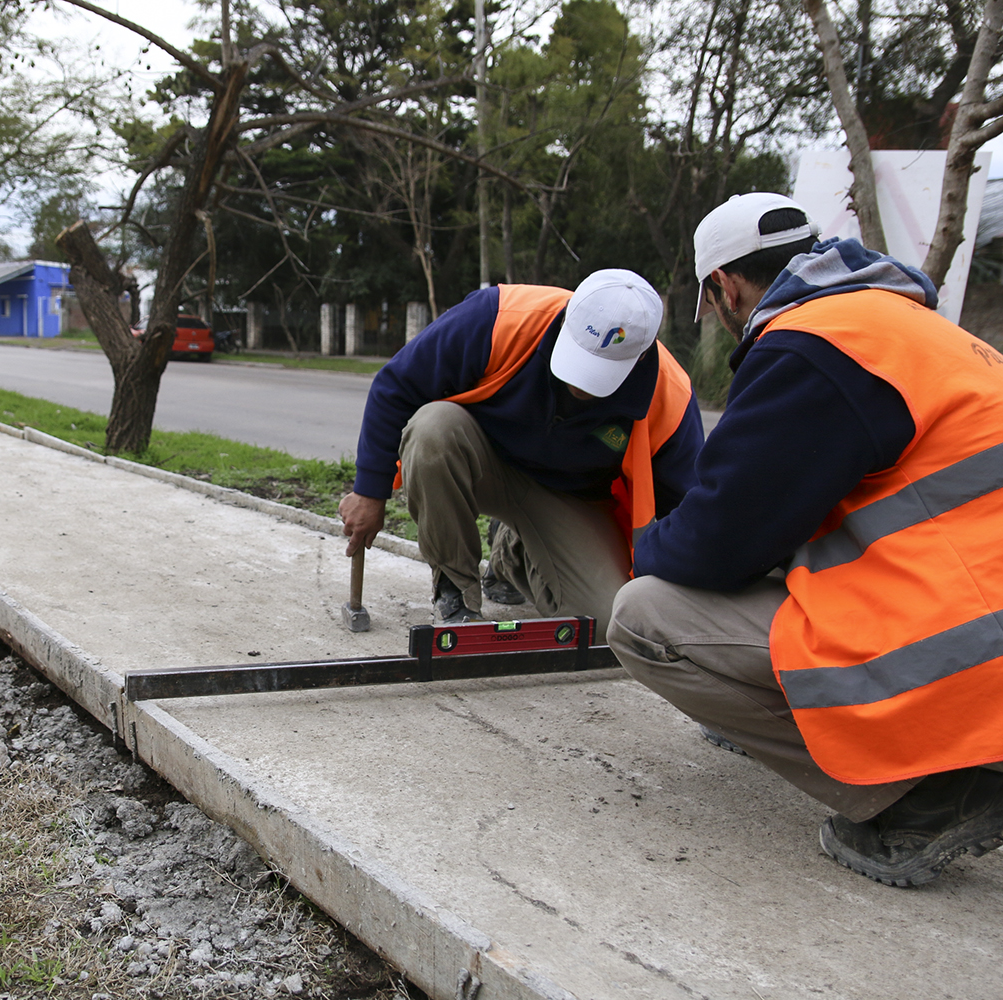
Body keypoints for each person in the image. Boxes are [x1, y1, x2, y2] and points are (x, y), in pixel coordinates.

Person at [608, 191, 1003, 887]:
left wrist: (643, 548)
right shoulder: (905, 325)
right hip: (975, 608)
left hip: (967, 644)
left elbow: (720, 540)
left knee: (644, 619)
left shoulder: (811, 346)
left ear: (724, 287)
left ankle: (920, 802)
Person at [339, 270, 704, 627]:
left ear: (640, 357)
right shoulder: (501, 317)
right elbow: (396, 386)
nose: (581, 385)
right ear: (565, 319)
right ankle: (456, 590)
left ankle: (512, 553)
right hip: (479, 463)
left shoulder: (669, 395)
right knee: (432, 429)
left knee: (609, 623)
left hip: (570, 499)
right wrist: (370, 491)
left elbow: (685, 505)